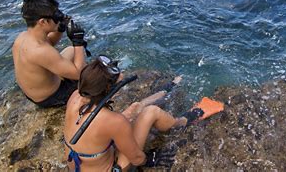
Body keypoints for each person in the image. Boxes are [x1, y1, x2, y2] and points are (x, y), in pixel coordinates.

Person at [63, 56, 199, 171]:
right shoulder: (113, 121)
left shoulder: (76, 97)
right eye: (118, 85)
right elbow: (137, 158)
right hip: (113, 168)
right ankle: (183, 121)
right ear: (108, 90)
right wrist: (149, 159)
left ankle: (166, 90)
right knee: (151, 112)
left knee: (136, 107)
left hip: (78, 165)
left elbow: (100, 123)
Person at [12, 0, 88, 108]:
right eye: (55, 18)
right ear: (42, 22)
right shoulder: (40, 51)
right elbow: (79, 74)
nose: (58, 20)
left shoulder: (23, 37)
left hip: (35, 92)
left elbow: (50, 42)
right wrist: (78, 42)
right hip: (52, 98)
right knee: (95, 78)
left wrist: (61, 28)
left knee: (70, 51)